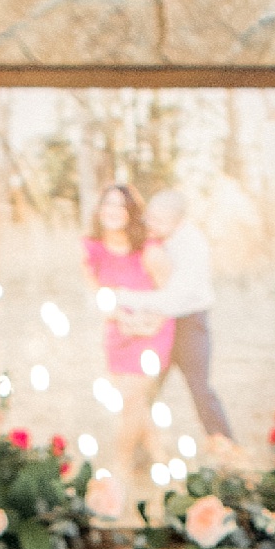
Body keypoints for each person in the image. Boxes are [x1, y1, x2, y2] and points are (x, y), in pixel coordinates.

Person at [80, 180, 172, 507]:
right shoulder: (91, 249)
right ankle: (163, 460)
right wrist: (121, 318)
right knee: (136, 404)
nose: (113, 211)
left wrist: (147, 322)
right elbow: (96, 296)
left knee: (131, 399)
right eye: (108, 204)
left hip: (153, 330)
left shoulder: (148, 249)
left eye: (121, 206)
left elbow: (170, 296)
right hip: (118, 331)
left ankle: (120, 469)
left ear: (131, 212)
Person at [143, 185, 234, 444]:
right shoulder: (155, 238)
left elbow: (174, 298)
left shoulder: (192, 245)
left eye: (159, 220)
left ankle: (224, 443)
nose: (151, 223)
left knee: (199, 388)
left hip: (189, 323)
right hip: (159, 322)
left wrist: (125, 298)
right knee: (146, 388)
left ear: (178, 220)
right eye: (150, 216)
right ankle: (139, 447)